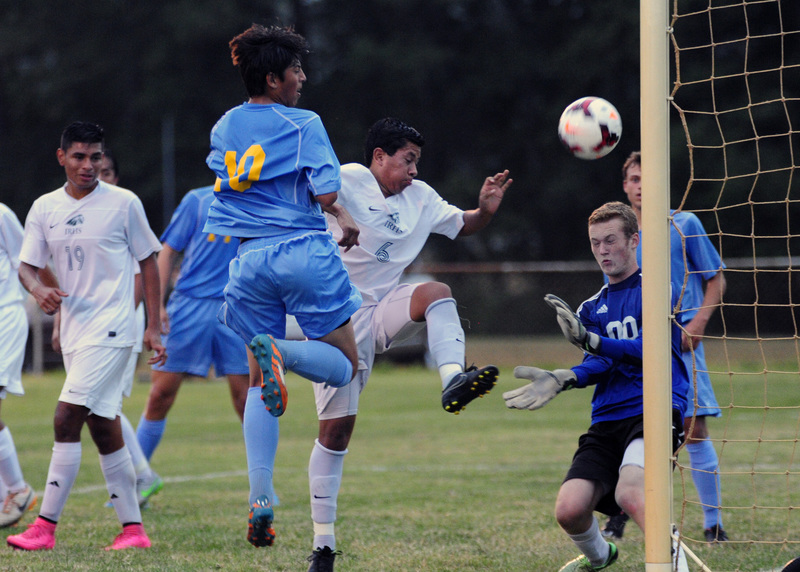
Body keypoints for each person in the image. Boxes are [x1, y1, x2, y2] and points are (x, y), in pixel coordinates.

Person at [304, 117, 511, 570]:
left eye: (417, 161)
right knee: (336, 433)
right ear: (379, 157)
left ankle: (453, 379)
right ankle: (323, 545)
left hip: (381, 308)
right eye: (408, 160)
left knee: (436, 292)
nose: (415, 170)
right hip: (334, 316)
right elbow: (304, 197)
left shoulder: (421, 198)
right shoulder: (347, 180)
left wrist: (486, 210)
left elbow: (464, 224)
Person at [203, 24, 362, 551]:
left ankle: (261, 496)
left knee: (255, 382)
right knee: (346, 364)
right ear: (273, 78)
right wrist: (340, 210)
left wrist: (333, 209)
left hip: (247, 260)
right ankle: (285, 355)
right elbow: (325, 189)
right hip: (300, 250)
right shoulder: (303, 122)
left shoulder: (224, 127)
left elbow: (239, 180)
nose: (302, 78)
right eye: (295, 70)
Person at [503, 201, 690, 571]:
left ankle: (676, 566)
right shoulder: (591, 307)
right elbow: (600, 363)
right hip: (607, 418)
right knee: (569, 509)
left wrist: (592, 342)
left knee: (632, 493)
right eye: (595, 243)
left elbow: (649, 350)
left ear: (634, 240)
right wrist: (564, 377)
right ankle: (602, 557)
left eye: (610, 240)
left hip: (653, 408)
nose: (603, 250)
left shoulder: (657, 288)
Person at [8, 121, 166, 551]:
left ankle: (45, 527)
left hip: (114, 328)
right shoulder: (44, 208)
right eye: (78, 156)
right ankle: (133, 530)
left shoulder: (124, 203)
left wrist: (153, 324)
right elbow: (27, 263)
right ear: (62, 158)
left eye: (95, 156)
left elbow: (148, 262)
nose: (88, 165)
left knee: (65, 418)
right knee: (102, 425)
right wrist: (38, 289)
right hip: (77, 330)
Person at [601, 151, 728, 543]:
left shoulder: (684, 223)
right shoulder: (615, 232)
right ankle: (620, 511)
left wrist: (697, 325)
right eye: (635, 179)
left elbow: (717, 278)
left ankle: (713, 524)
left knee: (693, 428)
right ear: (625, 185)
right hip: (633, 347)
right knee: (628, 427)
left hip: (680, 344)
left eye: (648, 177)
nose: (642, 185)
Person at [134, 184, 249, 485]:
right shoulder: (196, 201)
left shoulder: (258, 199)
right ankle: (137, 478)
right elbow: (167, 251)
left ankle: (262, 488)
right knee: (160, 394)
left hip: (237, 307)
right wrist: (156, 305)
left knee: (246, 399)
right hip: (188, 307)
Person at [96, 151, 163, 507]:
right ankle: (137, 481)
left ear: (116, 178)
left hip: (120, 320)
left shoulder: (124, 210)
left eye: (107, 171)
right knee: (102, 404)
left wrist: (133, 317)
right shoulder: (85, 216)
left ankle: (142, 476)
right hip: (96, 322)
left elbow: (144, 269)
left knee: (103, 404)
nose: (100, 176)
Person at [0, 203, 38, 529]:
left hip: (5, 318)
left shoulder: (1, 214)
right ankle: (6, 497)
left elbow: (29, 263)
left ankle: (18, 490)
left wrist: (55, 297)